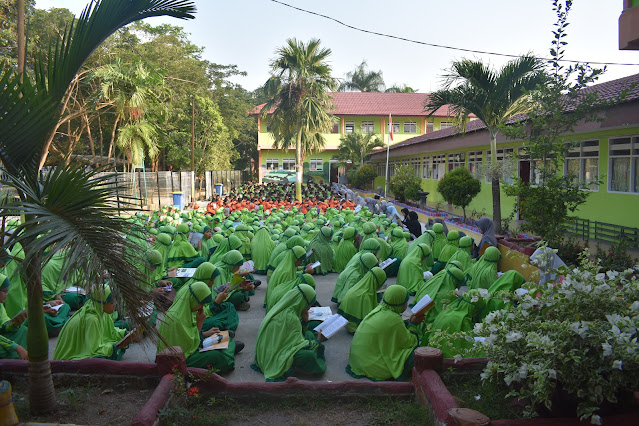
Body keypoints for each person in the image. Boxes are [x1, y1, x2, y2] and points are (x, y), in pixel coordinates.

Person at [157, 281, 238, 371]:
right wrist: (200, 323)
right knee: (216, 356)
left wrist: (204, 334)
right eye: (201, 304)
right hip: (178, 360)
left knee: (225, 338)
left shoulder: (186, 310)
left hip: (190, 348)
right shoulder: (176, 320)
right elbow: (189, 347)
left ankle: (228, 351)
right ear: (194, 299)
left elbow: (190, 336)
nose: (202, 307)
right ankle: (228, 352)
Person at [346, 285, 423, 381]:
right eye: (406, 302)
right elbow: (410, 342)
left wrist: (408, 323)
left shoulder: (379, 309)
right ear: (400, 303)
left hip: (358, 361)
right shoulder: (394, 319)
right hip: (373, 366)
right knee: (415, 354)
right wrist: (413, 325)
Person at [253, 284, 326, 381]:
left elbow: (297, 335)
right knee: (309, 356)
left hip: (269, 349)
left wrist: (305, 321)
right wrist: (318, 341)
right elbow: (298, 344)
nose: (309, 308)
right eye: (309, 305)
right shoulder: (290, 317)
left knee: (309, 334)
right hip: (275, 356)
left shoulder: (283, 307)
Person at [53, 285, 135, 361]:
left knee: (116, 347)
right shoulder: (92, 319)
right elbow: (94, 350)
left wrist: (126, 334)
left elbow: (111, 332)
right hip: (72, 357)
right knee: (102, 357)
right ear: (102, 303)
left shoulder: (102, 311)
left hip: (88, 346)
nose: (115, 305)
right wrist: (119, 345)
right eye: (111, 303)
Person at [338, 267, 387, 333]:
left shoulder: (358, 287)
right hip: (356, 327)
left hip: (347, 323)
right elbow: (369, 318)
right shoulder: (365, 296)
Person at [0, 274, 28, 360]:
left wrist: (14, 324)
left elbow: (4, 325)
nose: (7, 294)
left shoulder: (0, 306)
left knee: (23, 330)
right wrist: (15, 347)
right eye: (4, 291)